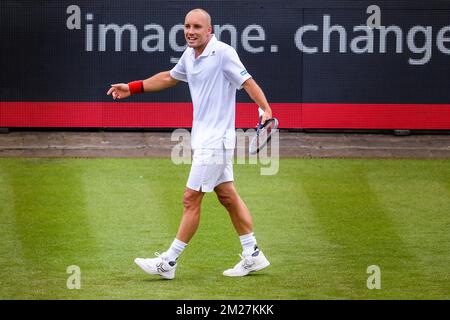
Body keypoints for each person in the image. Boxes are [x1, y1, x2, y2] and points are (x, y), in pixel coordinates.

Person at [107, 8, 272, 279]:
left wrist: (266, 109)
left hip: (215, 142)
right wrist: (133, 87)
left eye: (197, 26)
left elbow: (248, 82)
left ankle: (168, 262)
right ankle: (252, 253)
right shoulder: (190, 55)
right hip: (206, 139)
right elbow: (170, 77)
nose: (190, 31)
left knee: (190, 198)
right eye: (187, 26)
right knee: (227, 196)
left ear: (210, 31)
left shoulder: (223, 53)